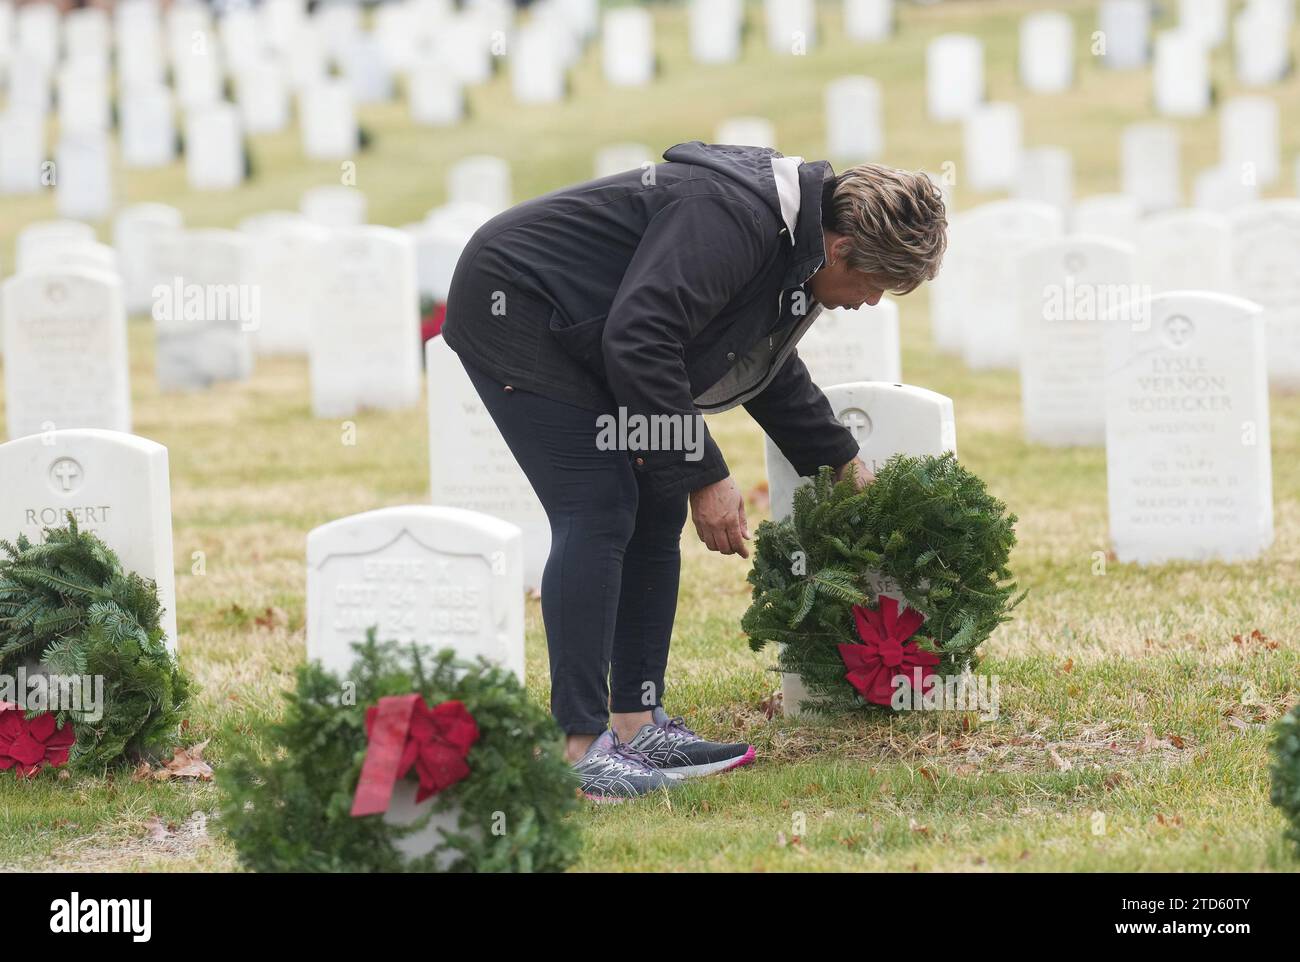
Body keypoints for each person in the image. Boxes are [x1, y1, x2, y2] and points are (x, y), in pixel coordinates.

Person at [442, 142, 947, 800]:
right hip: (518, 303)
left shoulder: (790, 243)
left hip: (589, 326)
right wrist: (707, 472)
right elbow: (643, 337)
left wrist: (843, 465)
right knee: (598, 505)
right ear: (841, 246)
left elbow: (762, 367)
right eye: (874, 282)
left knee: (654, 497)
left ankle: (637, 723)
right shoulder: (732, 217)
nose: (872, 301)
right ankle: (580, 751)